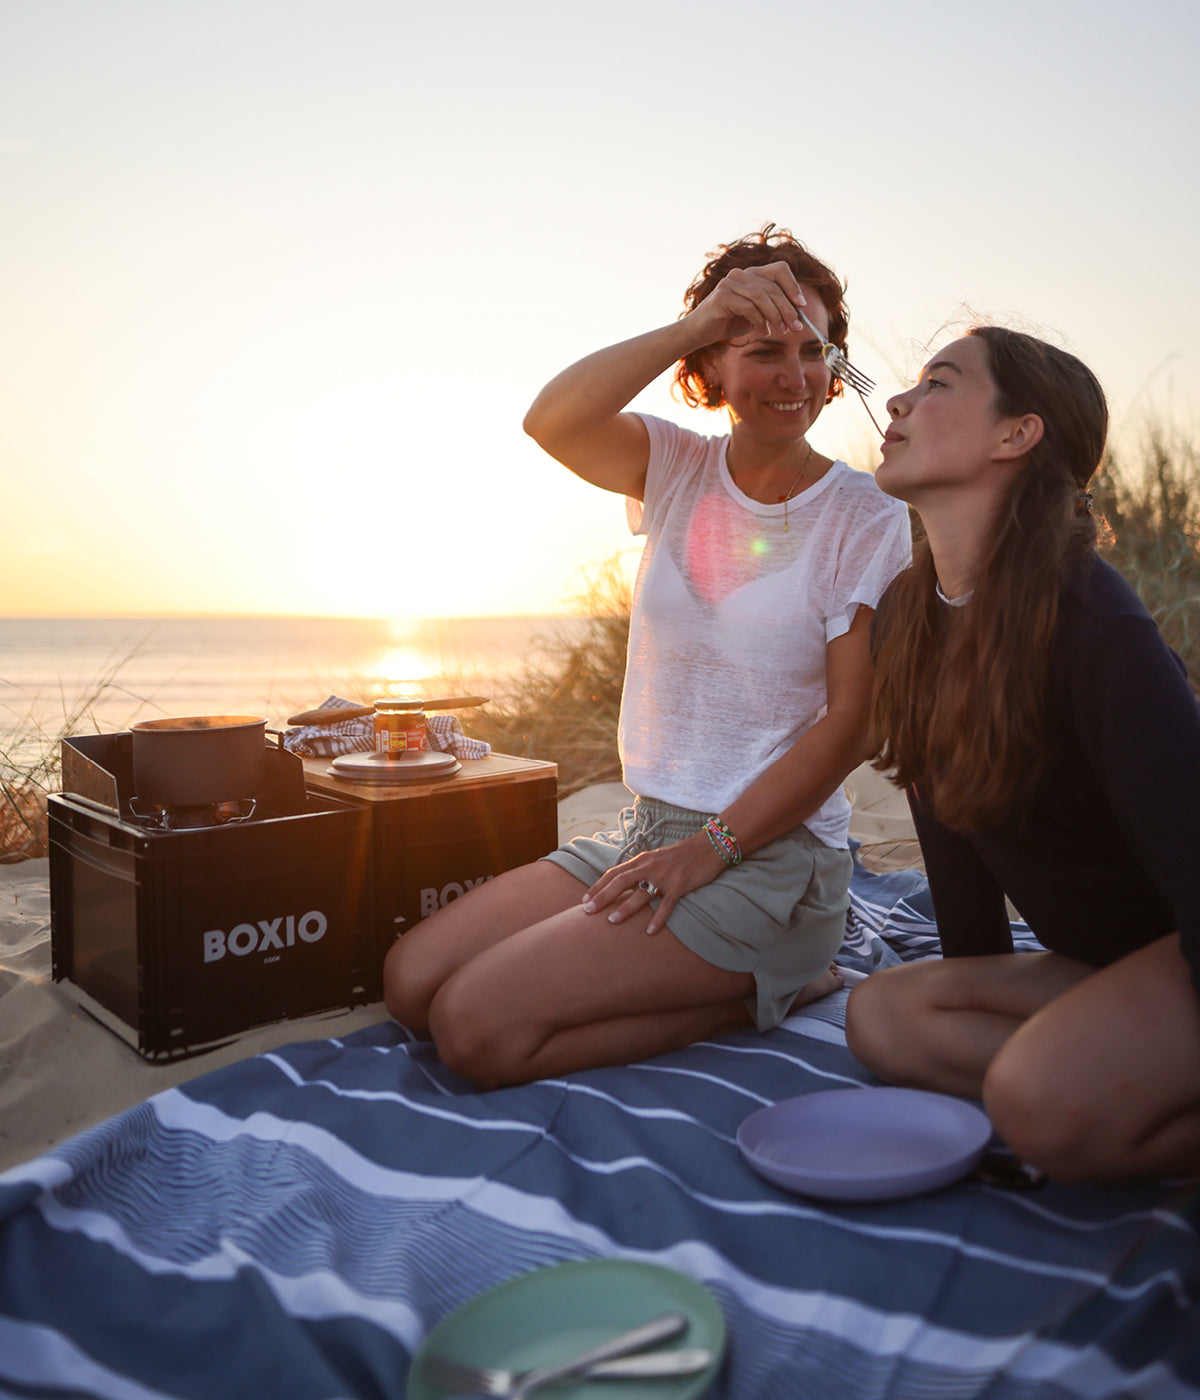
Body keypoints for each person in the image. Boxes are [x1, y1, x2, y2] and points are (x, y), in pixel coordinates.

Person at [383, 225, 910, 1089]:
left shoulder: (866, 514)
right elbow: (549, 420)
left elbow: (853, 722)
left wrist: (709, 851)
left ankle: (776, 981)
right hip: (644, 829)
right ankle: (763, 985)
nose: (795, 375)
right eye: (763, 348)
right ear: (709, 371)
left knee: (474, 1030)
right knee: (411, 984)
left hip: (769, 858)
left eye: (814, 350)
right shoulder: (673, 466)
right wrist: (689, 325)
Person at [844, 325, 1200, 1183]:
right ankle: (1095, 1077)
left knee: (1035, 1102)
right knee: (881, 1019)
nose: (897, 400)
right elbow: (947, 815)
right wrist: (975, 982)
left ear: (1017, 434)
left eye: (938, 383)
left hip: (1184, 942)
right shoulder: (907, 614)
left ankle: (1085, 1091)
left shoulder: (1091, 621)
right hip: (1097, 963)